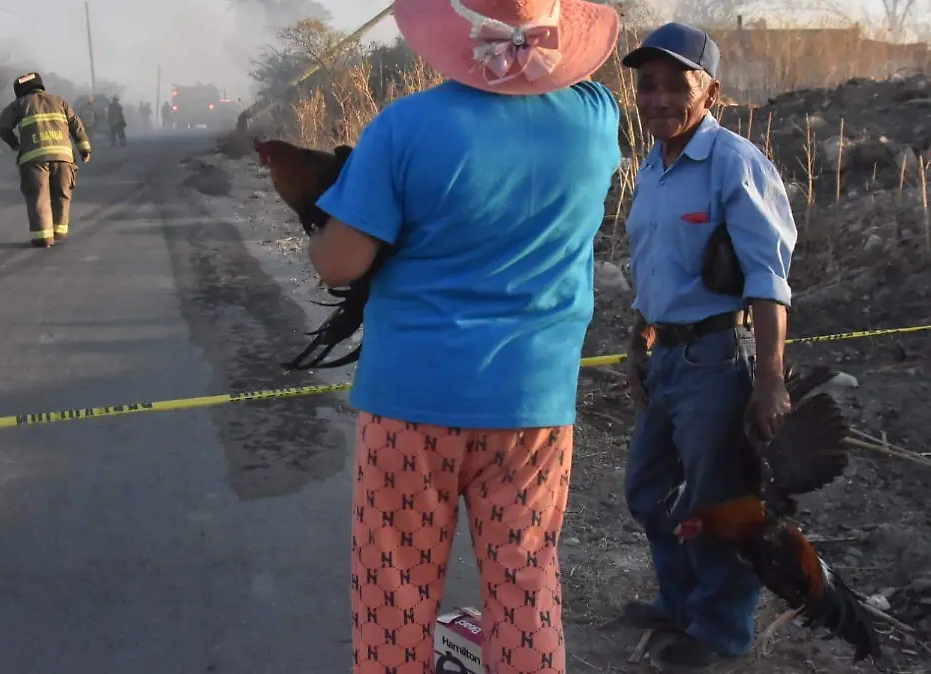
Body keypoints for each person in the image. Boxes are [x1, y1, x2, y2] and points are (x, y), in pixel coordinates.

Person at [309, 0, 622, 671]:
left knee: (393, 593)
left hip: (409, 403)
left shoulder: (402, 129)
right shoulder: (596, 120)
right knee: (525, 587)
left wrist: (328, 210)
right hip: (533, 405)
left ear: (451, 35)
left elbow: (340, 264)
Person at [619, 22, 797, 671]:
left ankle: (720, 631)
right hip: (666, 356)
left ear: (712, 91)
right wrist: (639, 335)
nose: (658, 98)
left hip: (717, 359)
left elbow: (767, 277)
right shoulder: (652, 167)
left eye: (676, 84)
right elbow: (654, 265)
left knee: (715, 501)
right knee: (647, 490)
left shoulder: (735, 163)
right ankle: (680, 601)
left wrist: (771, 377)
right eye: (647, 86)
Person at [0, 72, 91, 248]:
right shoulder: (59, 100)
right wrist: (84, 149)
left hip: (34, 159)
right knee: (62, 193)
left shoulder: (20, 104)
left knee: (38, 197)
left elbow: (1, 124)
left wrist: (14, 143)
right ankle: (59, 231)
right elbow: (76, 124)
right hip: (63, 157)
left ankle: (43, 238)